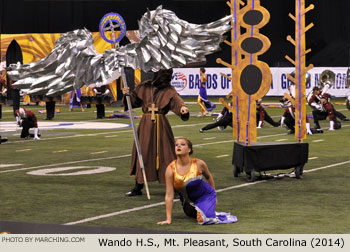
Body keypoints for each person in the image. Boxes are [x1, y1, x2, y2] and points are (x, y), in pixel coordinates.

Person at [122, 69, 189, 196]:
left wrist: (182, 108)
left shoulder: (169, 89)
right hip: (146, 124)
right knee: (143, 152)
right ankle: (139, 185)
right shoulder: (144, 87)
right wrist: (127, 95)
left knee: (167, 154)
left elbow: (177, 100)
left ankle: (174, 187)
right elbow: (133, 101)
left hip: (161, 124)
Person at [157, 138, 237, 225]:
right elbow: (169, 195)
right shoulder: (170, 169)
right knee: (192, 215)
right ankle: (203, 209)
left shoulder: (199, 164)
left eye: (182, 144)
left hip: (205, 195)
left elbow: (209, 177)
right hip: (188, 201)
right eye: (176, 145)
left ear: (189, 149)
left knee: (204, 219)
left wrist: (214, 196)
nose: (178, 146)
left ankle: (209, 208)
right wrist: (168, 219)